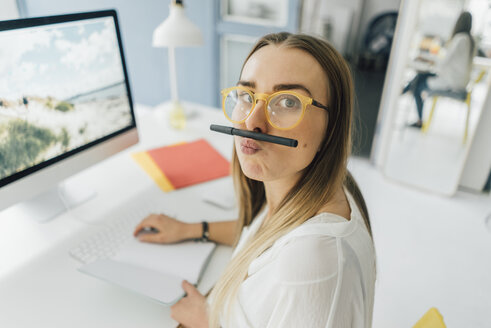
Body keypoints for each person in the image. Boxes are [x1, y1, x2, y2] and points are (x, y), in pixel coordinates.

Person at [134, 32, 376, 328]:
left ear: (333, 125)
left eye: (287, 102)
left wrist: (206, 322)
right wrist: (192, 229)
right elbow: (266, 235)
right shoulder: (313, 187)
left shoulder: (313, 260)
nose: (252, 122)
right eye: (246, 96)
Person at [403, 11, 475, 128]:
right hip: (458, 80)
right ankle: (403, 92)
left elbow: (444, 62)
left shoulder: (460, 39)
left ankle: (405, 96)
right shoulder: (470, 40)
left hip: (452, 82)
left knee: (418, 85)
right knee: (420, 78)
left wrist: (427, 59)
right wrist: (429, 60)